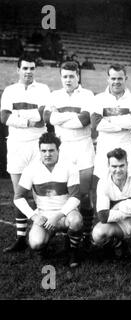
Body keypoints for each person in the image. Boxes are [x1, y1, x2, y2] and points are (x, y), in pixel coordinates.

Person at [1, 54, 50, 253]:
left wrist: (18, 115)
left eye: (32, 68)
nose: (28, 72)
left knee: (42, 193)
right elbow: (4, 117)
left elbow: (43, 116)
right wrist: (29, 120)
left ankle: (45, 233)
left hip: (38, 146)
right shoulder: (10, 91)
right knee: (19, 193)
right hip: (16, 147)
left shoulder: (44, 89)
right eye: (25, 68)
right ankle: (20, 237)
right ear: (18, 69)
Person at [44, 61, 95, 246]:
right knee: (67, 194)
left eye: (71, 76)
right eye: (64, 76)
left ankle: (87, 234)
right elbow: (48, 118)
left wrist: (60, 117)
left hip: (83, 148)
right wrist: (70, 117)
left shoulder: (88, 95)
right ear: (60, 77)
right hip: (63, 149)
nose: (68, 79)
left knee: (85, 195)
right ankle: (71, 233)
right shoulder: (54, 95)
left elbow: (84, 120)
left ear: (78, 76)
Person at [13, 132, 83, 268]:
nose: (47, 154)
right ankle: (45, 244)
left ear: (58, 151)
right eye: (43, 151)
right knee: (35, 243)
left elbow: (75, 197)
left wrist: (57, 216)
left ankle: (73, 250)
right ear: (39, 151)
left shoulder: (70, 166)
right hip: (44, 215)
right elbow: (18, 197)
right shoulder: (31, 169)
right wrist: (34, 217)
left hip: (65, 214)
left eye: (51, 150)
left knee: (76, 221)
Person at [92, 148, 131, 273]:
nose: (118, 170)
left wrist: (119, 206)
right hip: (118, 225)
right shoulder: (103, 182)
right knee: (97, 233)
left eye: (122, 166)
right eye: (114, 166)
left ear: (127, 164)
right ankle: (118, 244)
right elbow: (103, 216)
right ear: (108, 166)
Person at [91, 64, 131, 193]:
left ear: (126, 79)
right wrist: (122, 124)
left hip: (126, 145)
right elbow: (97, 124)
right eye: (113, 78)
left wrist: (108, 120)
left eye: (120, 78)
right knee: (103, 184)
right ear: (108, 79)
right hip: (105, 146)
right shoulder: (98, 99)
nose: (116, 82)